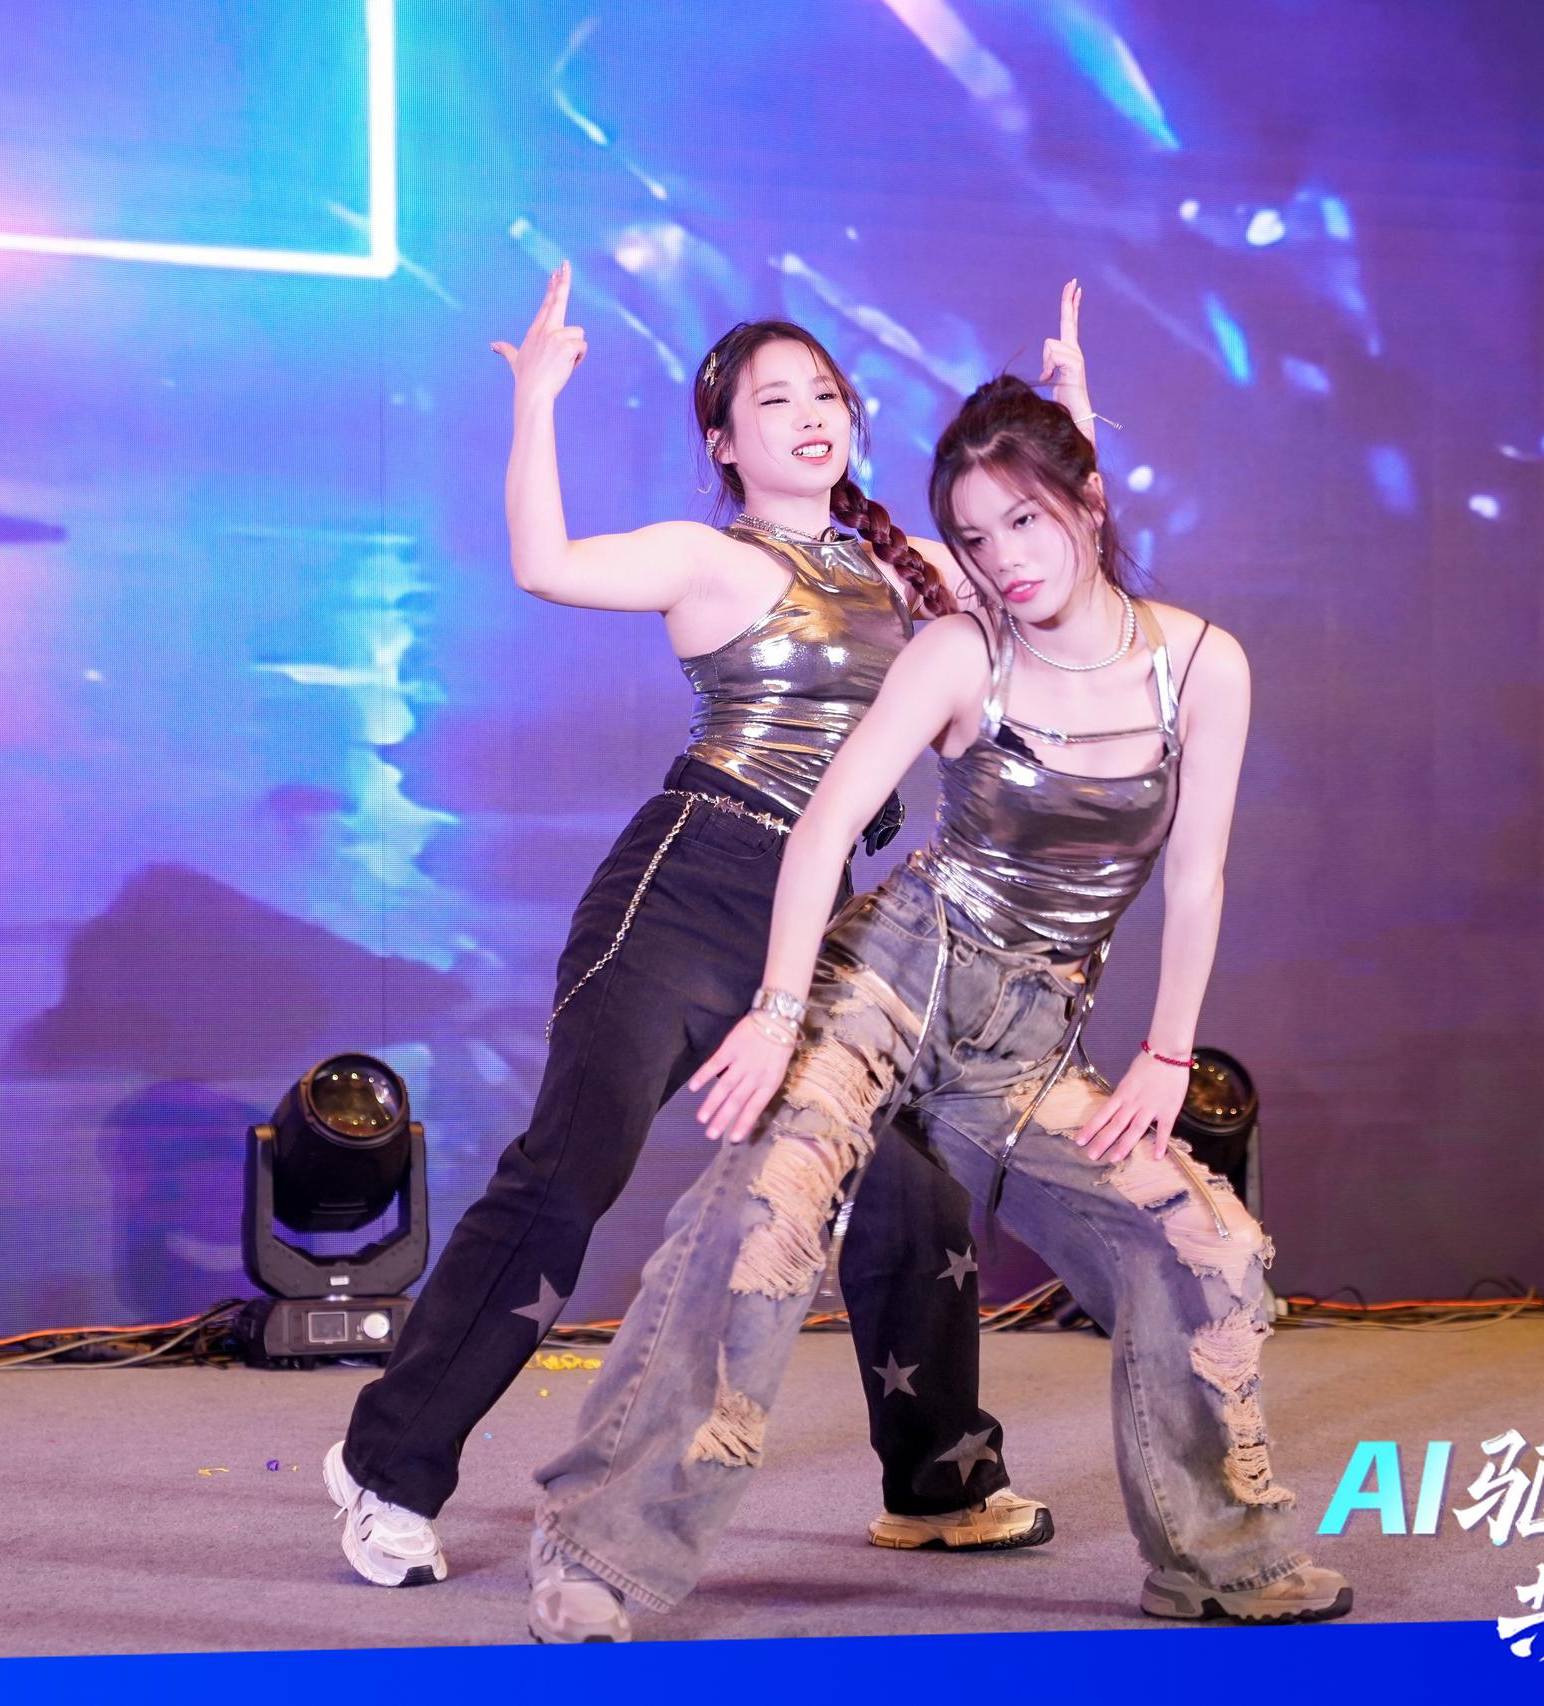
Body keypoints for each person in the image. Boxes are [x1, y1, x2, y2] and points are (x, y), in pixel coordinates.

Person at [523, 371, 1354, 1641]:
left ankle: (1217, 1558)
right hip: (886, 982)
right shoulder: (964, 649)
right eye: (973, 535)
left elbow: (1198, 874)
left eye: (1026, 520)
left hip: (1026, 1038)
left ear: (1087, 501)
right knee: (761, 1226)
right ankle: (599, 1551)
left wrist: (1168, 1052)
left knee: (1206, 1247)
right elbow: (826, 826)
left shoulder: (1200, 663)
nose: (1004, 558)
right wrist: (778, 1011)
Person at [323, 268, 1097, 1588]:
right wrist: (534, 402)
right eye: (774, 399)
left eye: (826, 393)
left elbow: (1050, 590)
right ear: (725, 441)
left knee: (907, 1181)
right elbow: (545, 563)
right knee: (572, 1168)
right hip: (685, 891)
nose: (811, 414)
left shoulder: (905, 570)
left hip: (818, 914)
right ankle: (388, 1462)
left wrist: (1069, 437)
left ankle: (939, 1482)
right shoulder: (712, 558)